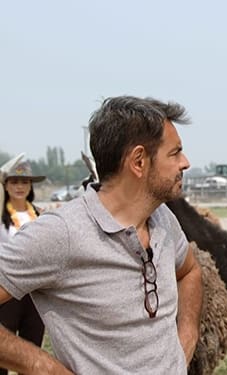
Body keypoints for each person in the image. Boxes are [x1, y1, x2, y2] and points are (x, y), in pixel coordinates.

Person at [0, 96, 203, 374]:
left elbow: (190, 270)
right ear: (139, 162)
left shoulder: (163, 218)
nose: (185, 162)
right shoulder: (62, 233)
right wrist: (43, 367)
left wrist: (186, 339)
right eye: (175, 152)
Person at [0, 161, 46, 375]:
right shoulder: (1, 217)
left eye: (24, 182)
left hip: (34, 293)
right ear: (5, 186)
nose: (19, 186)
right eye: (14, 181)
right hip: (6, 291)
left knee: (32, 348)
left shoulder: (42, 216)